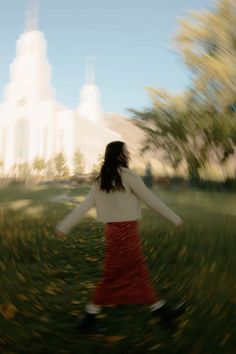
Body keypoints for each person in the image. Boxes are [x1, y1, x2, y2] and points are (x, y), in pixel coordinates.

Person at [55, 141, 185, 332]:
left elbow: (84, 206)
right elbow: (151, 200)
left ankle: (161, 312)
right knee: (117, 276)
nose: (129, 154)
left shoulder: (101, 180)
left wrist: (64, 226)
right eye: (126, 151)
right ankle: (89, 319)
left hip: (113, 233)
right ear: (119, 155)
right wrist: (174, 218)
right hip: (127, 233)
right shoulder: (129, 176)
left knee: (135, 273)